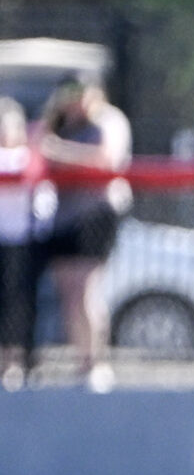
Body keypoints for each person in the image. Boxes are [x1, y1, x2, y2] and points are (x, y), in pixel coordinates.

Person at [33, 72, 131, 392]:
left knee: (85, 289)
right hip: (61, 218)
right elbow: (33, 148)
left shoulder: (107, 120)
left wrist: (58, 150)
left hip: (95, 215)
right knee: (68, 293)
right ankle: (80, 361)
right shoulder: (58, 123)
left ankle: (96, 363)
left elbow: (106, 159)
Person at [0, 96, 41, 390]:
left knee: (18, 302)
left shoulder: (29, 156)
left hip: (21, 242)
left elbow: (31, 172)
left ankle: (15, 362)